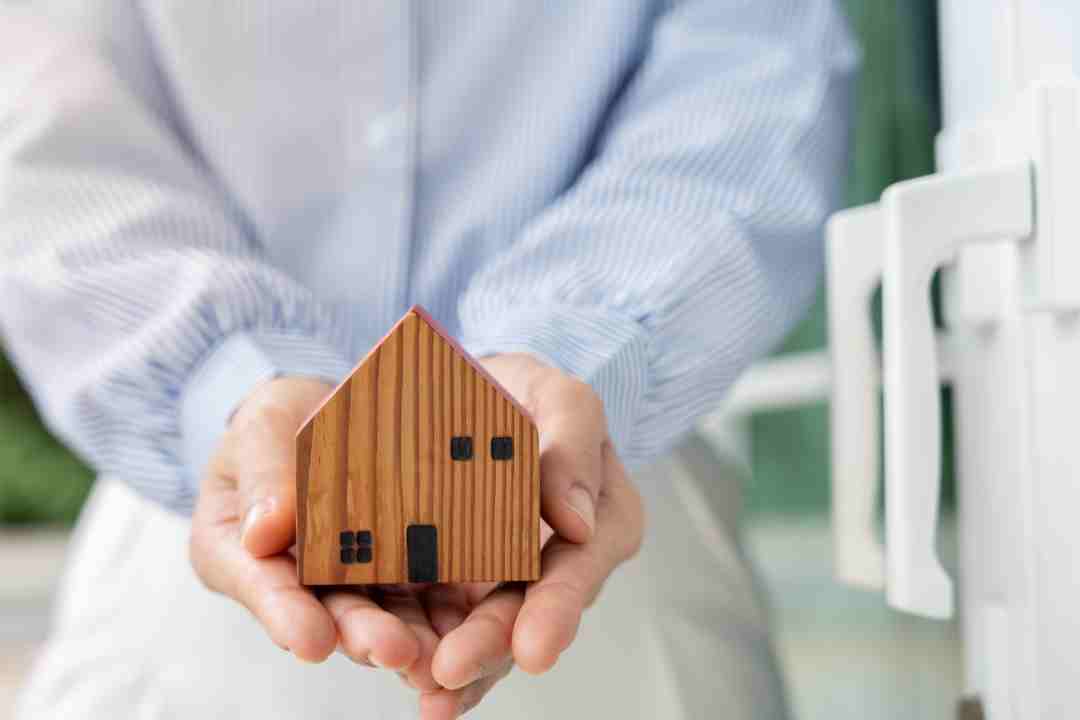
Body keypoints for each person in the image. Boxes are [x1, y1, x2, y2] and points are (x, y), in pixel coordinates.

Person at [0, 1, 857, 718]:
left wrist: (579, 344)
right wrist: (226, 378)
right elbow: (40, 117)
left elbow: (757, 77)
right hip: (200, 519)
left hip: (599, 497)